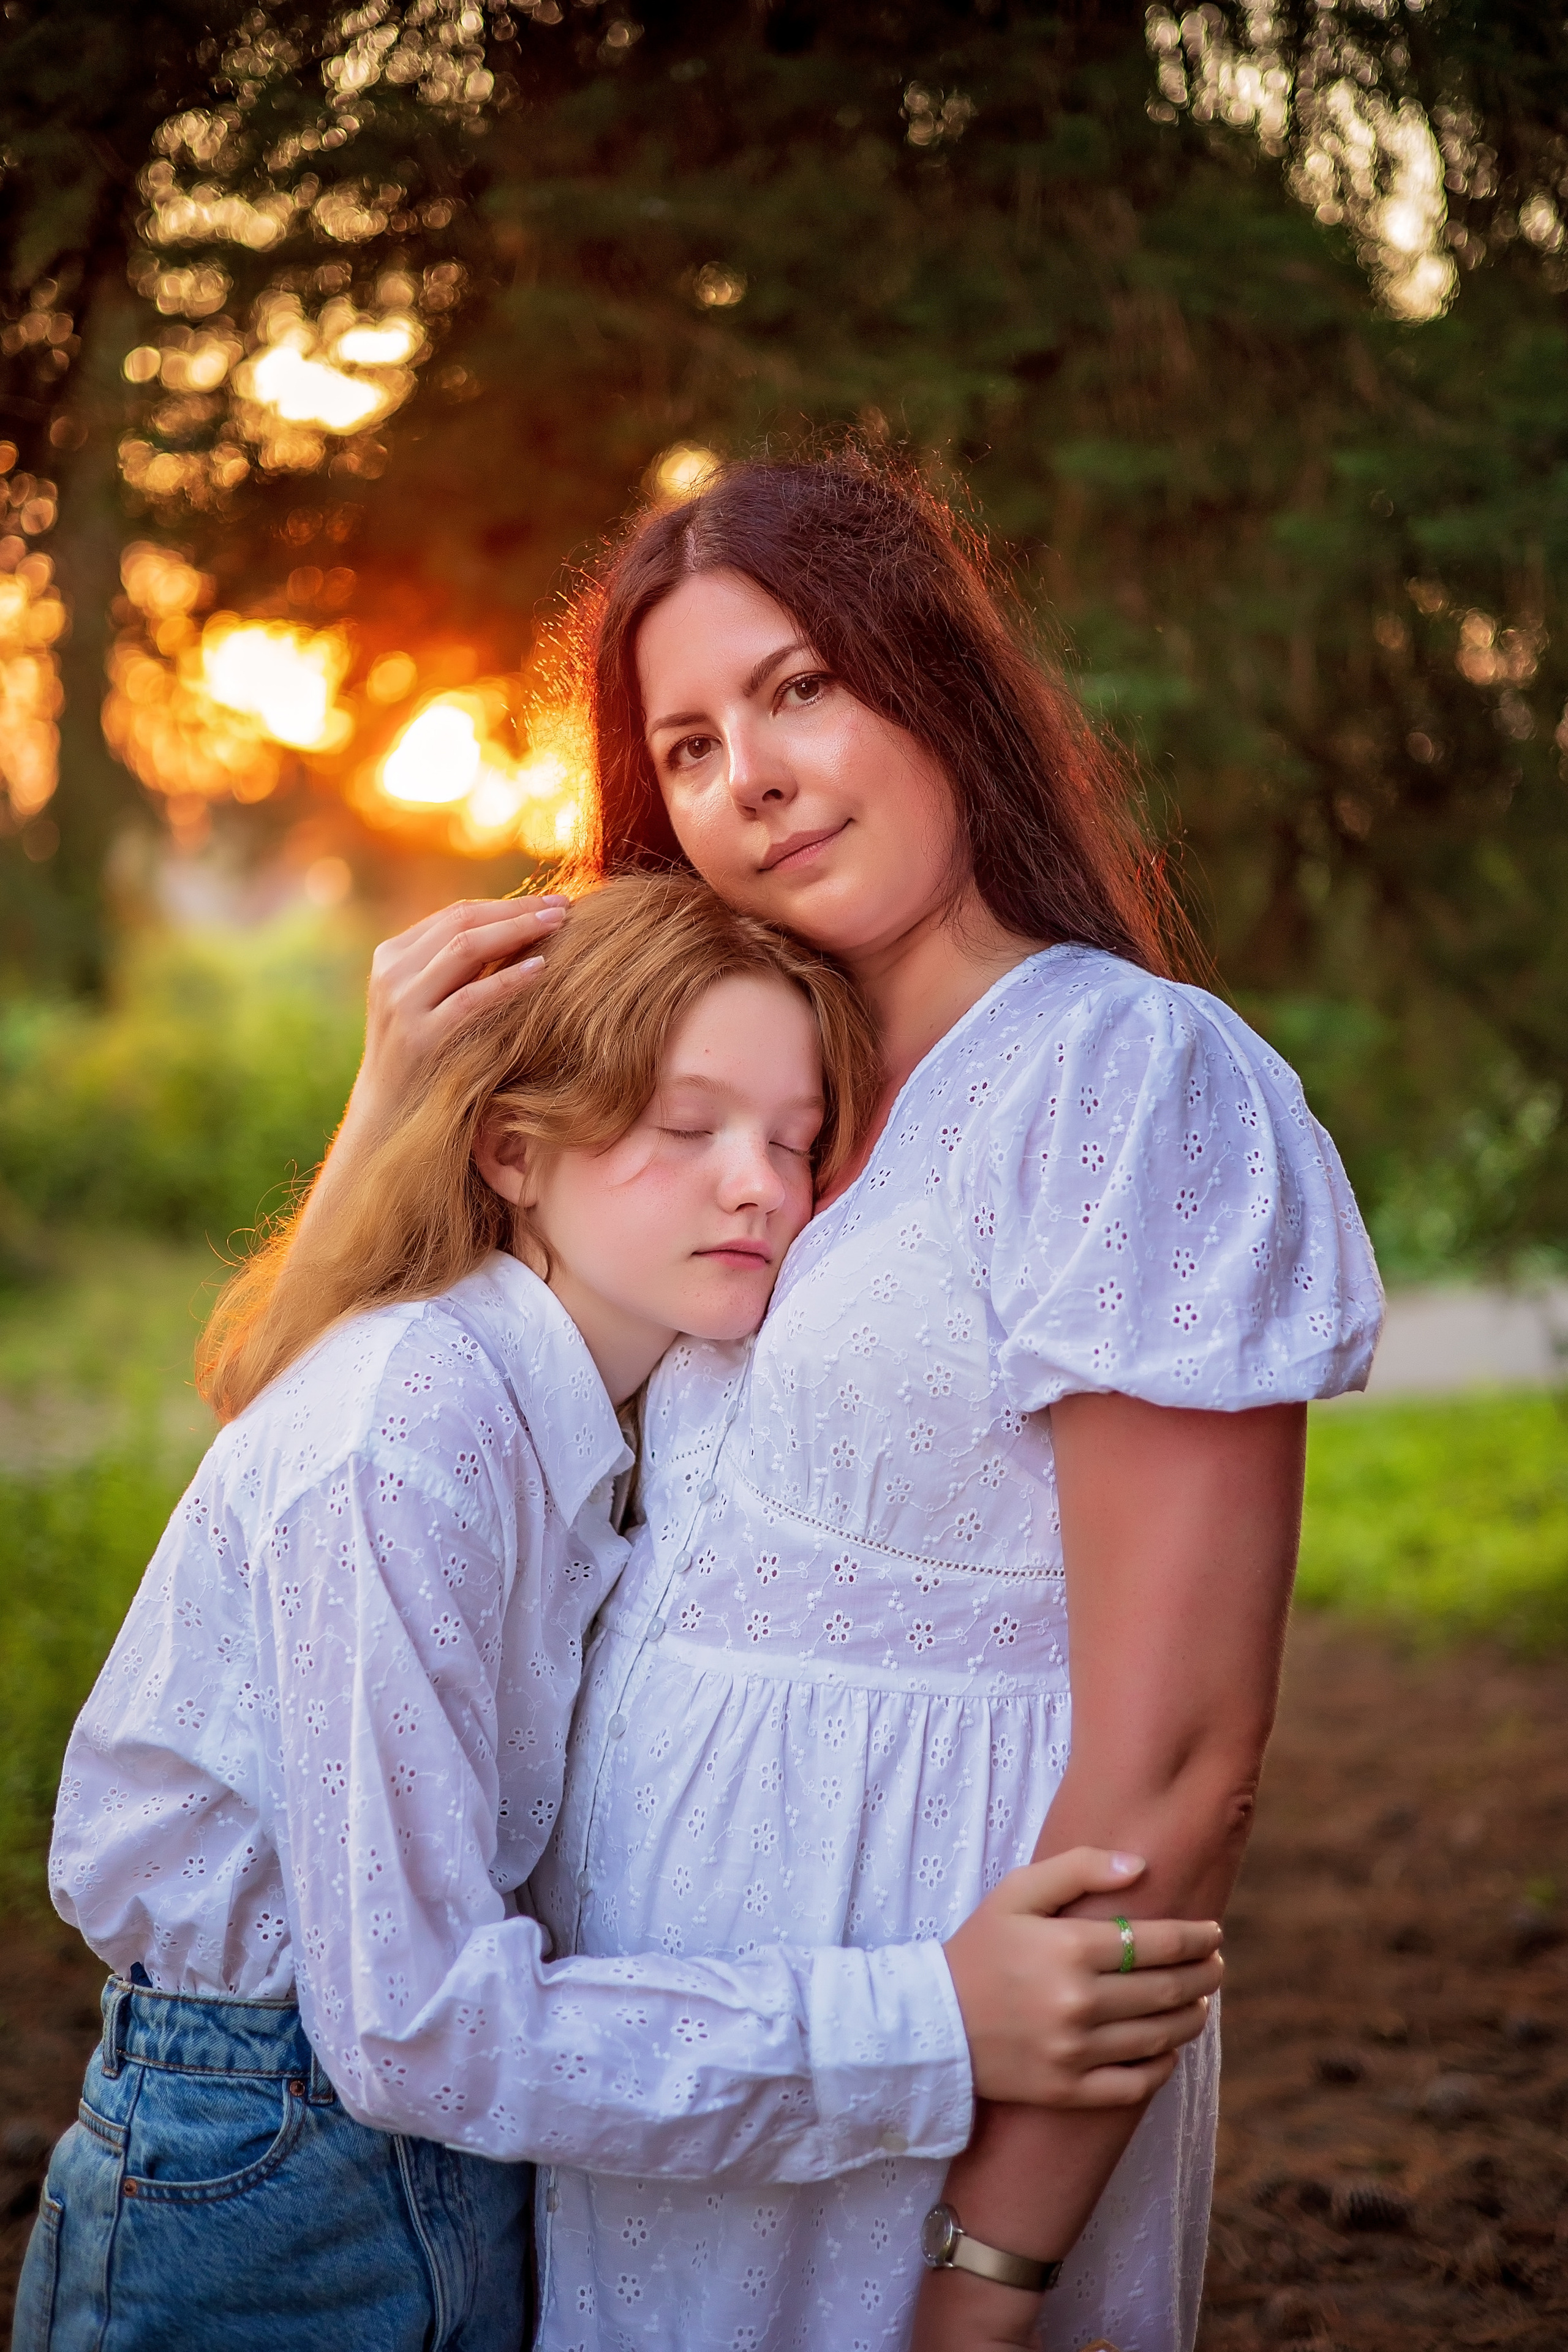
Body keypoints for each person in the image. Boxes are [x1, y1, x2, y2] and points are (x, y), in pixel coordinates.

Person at [334, 456, 1384, 2352]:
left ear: (936, 680)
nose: (752, 775)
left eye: (800, 687)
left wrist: (988, 2278)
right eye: (690, 744)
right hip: (677, 2087)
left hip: (946, 2082)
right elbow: (349, 1411)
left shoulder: (1118, 1078)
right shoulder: (724, 1102)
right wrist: (383, 1112)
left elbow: (1180, 1765)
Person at [20, 873, 1223, 2352]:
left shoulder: (601, 1417)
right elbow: (413, 2028)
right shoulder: (407, 1431)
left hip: (465, 2156)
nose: (757, 1186)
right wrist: (935, 2022)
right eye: (685, 1127)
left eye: (795, 1140)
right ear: (513, 1154)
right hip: (264, 2168)